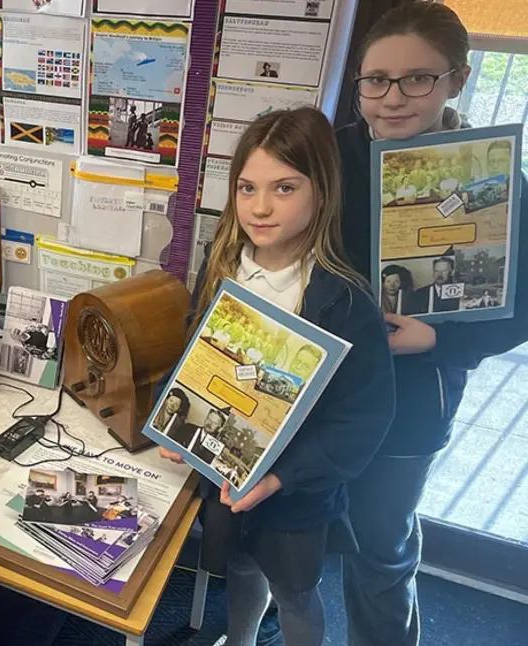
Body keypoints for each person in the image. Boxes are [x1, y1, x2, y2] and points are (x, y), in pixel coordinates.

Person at [159, 107, 395, 646]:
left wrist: (282, 477)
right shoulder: (221, 265)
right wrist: (171, 412)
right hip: (227, 475)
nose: (260, 208)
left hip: (297, 492)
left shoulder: (345, 298)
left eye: (284, 188)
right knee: (239, 569)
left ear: (321, 191)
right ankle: (239, 641)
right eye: (247, 188)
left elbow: (363, 417)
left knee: (295, 592)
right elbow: (196, 356)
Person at [336, 5, 528, 645]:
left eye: (416, 79)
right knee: (298, 528)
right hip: (316, 384)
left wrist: (440, 339)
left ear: (457, 79)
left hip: (411, 399)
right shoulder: (328, 156)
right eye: (375, 80)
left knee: (382, 548)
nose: (391, 99)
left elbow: (520, 305)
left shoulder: (492, 177)